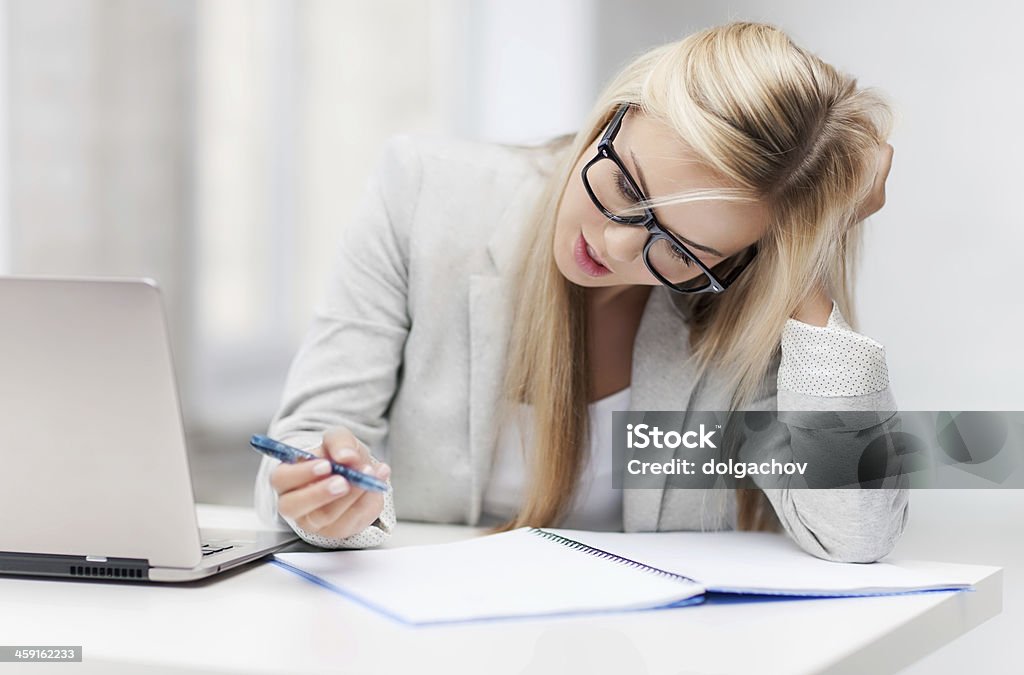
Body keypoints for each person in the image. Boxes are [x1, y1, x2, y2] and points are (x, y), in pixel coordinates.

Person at [253, 21, 904, 562]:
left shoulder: (737, 297)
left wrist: (805, 248)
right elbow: (307, 439)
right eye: (626, 188)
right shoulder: (424, 194)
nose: (618, 247)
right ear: (617, 113)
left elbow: (853, 532)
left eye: (679, 250)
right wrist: (326, 500)